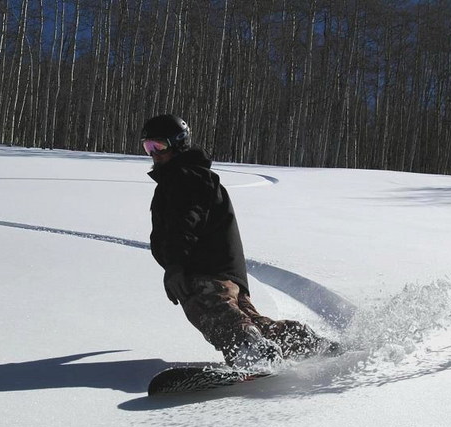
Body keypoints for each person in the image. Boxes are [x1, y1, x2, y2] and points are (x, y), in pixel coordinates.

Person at [141, 114, 335, 369]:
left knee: (211, 312)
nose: (154, 154)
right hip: (225, 272)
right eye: (147, 147)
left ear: (178, 144)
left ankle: (249, 350)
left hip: (203, 272)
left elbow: (185, 222)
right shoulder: (195, 177)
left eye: (159, 146)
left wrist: (176, 266)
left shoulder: (183, 178)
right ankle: (304, 342)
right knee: (252, 320)